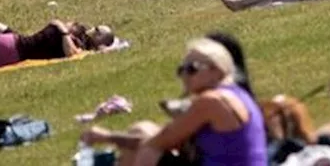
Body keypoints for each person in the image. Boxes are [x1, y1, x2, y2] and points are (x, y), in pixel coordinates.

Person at [80, 38, 266, 166]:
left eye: (192, 69)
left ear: (216, 70)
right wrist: (110, 138)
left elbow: (160, 141)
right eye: (181, 70)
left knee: (149, 150)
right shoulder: (235, 94)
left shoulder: (212, 101)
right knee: (143, 130)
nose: (184, 75)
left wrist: (109, 138)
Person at [0, 20, 116, 77]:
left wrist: (63, 31)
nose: (94, 29)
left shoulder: (73, 43)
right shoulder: (76, 40)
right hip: (16, 53)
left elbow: (72, 53)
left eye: (98, 31)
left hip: (12, 43)